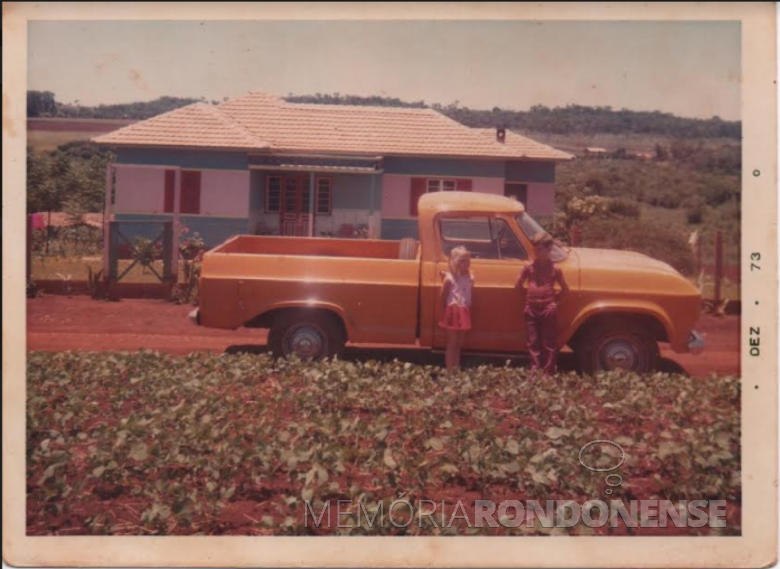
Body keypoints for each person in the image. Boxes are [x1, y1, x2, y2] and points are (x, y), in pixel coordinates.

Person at [515, 232, 569, 378]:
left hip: (548, 309)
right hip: (531, 308)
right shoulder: (529, 267)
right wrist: (528, 298)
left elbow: (565, 290)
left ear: (548, 249)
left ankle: (548, 372)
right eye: (535, 249)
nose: (536, 252)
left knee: (549, 342)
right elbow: (518, 285)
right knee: (532, 341)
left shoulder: (555, 269)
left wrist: (554, 303)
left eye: (540, 249)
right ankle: (535, 369)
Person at [439, 246, 474, 371]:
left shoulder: (469, 276)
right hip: (453, 311)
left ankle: (456, 366)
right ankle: (449, 368)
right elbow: (442, 296)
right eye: (462, 260)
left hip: (464, 310)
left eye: (468, 260)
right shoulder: (449, 278)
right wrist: (446, 308)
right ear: (455, 262)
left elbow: (469, 292)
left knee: (459, 343)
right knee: (452, 343)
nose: (467, 263)